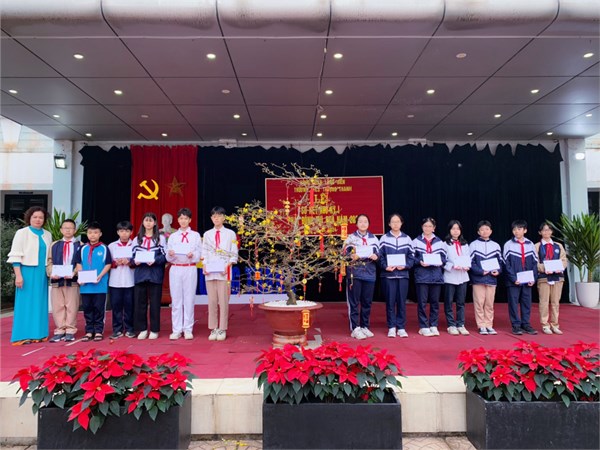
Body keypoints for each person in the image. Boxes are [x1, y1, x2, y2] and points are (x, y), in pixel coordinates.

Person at [7, 206, 52, 345]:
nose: (38, 220)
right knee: (25, 304)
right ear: (29, 218)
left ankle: (39, 334)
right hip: (26, 272)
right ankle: (22, 336)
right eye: (35, 217)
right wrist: (18, 275)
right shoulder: (22, 233)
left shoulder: (47, 234)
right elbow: (16, 255)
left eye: (41, 217)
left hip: (41, 273)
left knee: (40, 304)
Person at [202, 206, 238, 341]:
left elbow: (233, 252)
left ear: (224, 217)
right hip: (210, 272)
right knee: (212, 301)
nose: (216, 218)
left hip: (224, 272)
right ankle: (213, 328)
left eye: (218, 216)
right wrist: (204, 265)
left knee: (223, 301)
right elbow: (204, 252)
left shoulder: (230, 234)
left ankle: (222, 328)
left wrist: (228, 265)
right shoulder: (207, 234)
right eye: (214, 216)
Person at [167, 208, 202, 340]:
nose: (183, 221)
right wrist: (170, 254)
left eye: (186, 218)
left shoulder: (195, 235)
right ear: (178, 220)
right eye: (181, 218)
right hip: (176, 268)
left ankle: (188, 329)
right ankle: (176, 329)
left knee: (189, 299)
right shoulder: (173, 236)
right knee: (176, 299)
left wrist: (194, 255)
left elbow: (200, 253)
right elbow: (167, 255)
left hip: (189, 268)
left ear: (190, 220)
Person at [73, 221, 112, 341]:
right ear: (87, 234)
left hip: (100, 285)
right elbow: (78, 263)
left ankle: (99, 330)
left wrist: (100, 276)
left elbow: (108, 264)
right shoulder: (82, 248)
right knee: (87, 308)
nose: (92, 235)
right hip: (85, 286)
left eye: (95, 232)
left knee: (99, 308)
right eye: (90, 233)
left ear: (100, 234)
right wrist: (81, 277)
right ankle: (89, 331)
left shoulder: (104, 248)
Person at [343, 214, 379, 340]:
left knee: (367, 302)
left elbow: (379, 254)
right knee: (354, 302)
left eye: (365, 222)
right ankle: (355, 328)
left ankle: (365, 326)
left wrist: (376, 256)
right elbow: (345, 254)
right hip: (355, 273)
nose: (363, 224)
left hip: (369, 274)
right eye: (360, 221)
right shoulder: (351, 238)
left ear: (368, 224)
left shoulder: (374, 238)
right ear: (356, 224)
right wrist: (351, 256)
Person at [378, 213, 414, 338]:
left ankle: (401, 327)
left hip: (403, 275)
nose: (395, 224)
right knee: (390, 302)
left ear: (401, 223)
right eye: (393, 222)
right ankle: (392, 327)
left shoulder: (407, 239)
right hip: (388, 275)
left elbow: (411, 256)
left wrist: (406, 265)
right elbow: (380, 256)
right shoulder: (384, 238)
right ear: (389, 224)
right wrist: (385, 266)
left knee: (401, 302)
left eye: (398, 221)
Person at [132, 212, 167, 340]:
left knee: (155, 303)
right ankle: (142, 329)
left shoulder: (160, 238)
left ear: (155, 223)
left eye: (151, 220)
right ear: (142, 222)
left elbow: (165, 256)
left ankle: (154, 329)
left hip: (155, 275)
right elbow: (131, 257)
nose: (148, 223)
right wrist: (134, 261)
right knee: (140, 303)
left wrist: (155, 260)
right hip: (140, 274)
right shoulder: (137, 239)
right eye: (146, 220)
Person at [47, 219, 82, 342]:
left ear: (75, 230)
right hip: (57, 281)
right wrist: (51, 273)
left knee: (72, 306)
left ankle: (70, 330)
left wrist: (74, 273)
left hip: (73, 281)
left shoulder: (80, 245)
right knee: (58, 306)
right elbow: (49, 261)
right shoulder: (54, 245)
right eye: (65, 228)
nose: (68, 230)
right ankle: (60, 330)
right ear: (61, 230)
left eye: (70, 228)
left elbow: (81, 263)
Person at [503, 219, 539, 335]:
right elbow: (506, 264)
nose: (516, 231)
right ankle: (516, 325)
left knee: (526, 302)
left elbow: (535, 263)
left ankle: (526, 324)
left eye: (519, 229)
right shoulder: (508, 244)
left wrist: (533, 278)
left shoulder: (530, 244)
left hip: (527, 279)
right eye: (514, 229)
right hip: (514, 280)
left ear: (525, 230)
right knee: (513, 303)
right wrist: (513, 278)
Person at [412, 217, 446, 337]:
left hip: (436, 276)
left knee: (435, 302)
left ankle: (433, 325)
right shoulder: (416, 241)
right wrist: (419, 262)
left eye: (430, 226)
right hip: (422, 276)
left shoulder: (440, 242)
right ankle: (423, 326)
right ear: (422, 227)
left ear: (434, 228)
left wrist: (440, 262)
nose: (427, 228)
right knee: (422, 303)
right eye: (425, 226)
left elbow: (444, 258)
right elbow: (411, 258)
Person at [469, 220, 503, 335]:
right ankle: (481, 325)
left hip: (491, 279)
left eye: (487, 229)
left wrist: (498, 271)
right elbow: (471, 262)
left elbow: (500, 262)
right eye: (482, 229)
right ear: (478, 232)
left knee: (489, 304)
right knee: (479, 303)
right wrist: (480, 271)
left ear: (491, 231)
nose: (485, 231)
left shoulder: (496, 245)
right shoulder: (473, 245)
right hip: (478, 279)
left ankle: (489, 324)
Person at [534, 222, 567, 335]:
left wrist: (559, 268)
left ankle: (555, 324)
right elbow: (535, 262)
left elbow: (564, 260)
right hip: (544, 277)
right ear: (540, 232)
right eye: (544, 230)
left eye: (548, 230)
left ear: (552, 232)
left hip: (557, 277)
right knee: (544, 302)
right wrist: (544, 268)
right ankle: (545, 325)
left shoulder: (558, 246)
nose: (546, 232)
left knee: (555, 302)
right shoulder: (537, 246)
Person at [107, 221, 136, 339]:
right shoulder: (112, 246)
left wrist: (129, 262)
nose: (124, 233)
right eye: (122, 231)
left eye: (127, 231)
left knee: (130, 306)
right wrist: (115, 263)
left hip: (130, 280)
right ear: (118, 232)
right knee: (116, 306)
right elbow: (107, 263)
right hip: (115, 281)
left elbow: (138, 261)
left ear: (131, 232)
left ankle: (130, 329)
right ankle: (117, 329)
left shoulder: (135, 245)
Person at [443, 220, 471, 336]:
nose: (456, 231)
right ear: (449, 230)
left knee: (461, 302)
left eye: (458, 229)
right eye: (453, 229)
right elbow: (443, 260)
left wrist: (467, 266)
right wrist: (452, 265)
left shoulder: (465, 244)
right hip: (450, 276)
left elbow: (468, 258)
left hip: (463, 276)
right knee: (449, 302)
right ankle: (451, 324)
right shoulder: (445, 244)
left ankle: (461, 324)